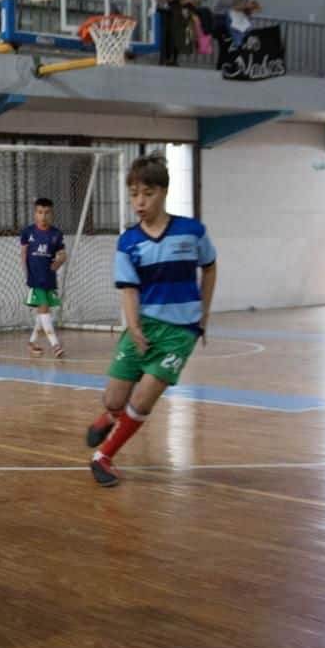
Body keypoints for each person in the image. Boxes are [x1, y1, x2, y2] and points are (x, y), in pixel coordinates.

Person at [84, 155, 217, 488]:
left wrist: (204, 314)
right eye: (134, 194)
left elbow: (210, 267)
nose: (139, 201)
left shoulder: (192, 231)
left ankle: (104, 456)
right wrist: (133, 327)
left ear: (164, 192)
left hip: (179, 332)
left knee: (143, 399)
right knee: (115, 399)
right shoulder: (129, 242)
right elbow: (129, 290)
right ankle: (109, 415)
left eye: (148, 193)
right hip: (142, 325)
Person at [20, 197, 67, 358]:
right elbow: (23, 253)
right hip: (36, 279)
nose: (43, 216)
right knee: (44, 308)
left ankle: (32, 343)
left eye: (47, 213)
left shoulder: (56, 234)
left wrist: (59, 261)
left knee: (43, 312)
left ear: (52, 214)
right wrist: (27, 274)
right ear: (35, 213)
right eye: (40, 212)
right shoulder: (28, 232)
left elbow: (62, 254)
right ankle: (55, 345)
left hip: (49, 279)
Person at [213, 0, 261, 68]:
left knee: (228, 49)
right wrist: (246, 6)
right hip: (222, 23)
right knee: (226, 48)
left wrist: (252, 8)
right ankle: (224, 65)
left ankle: (237, 61)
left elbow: (244, 10)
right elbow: (232, 8)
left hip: (236, 23)